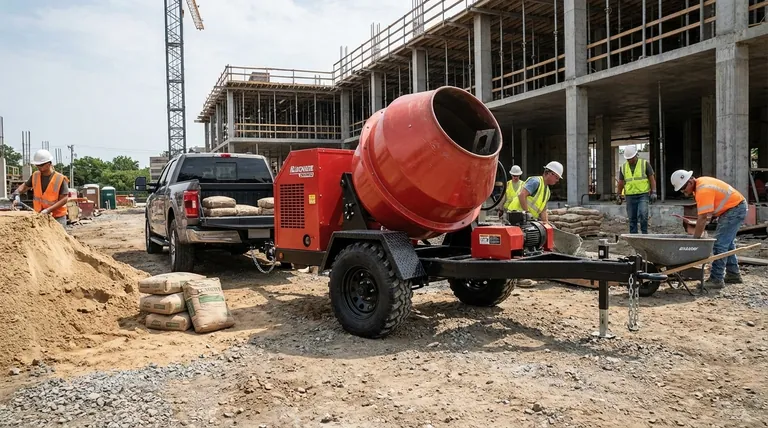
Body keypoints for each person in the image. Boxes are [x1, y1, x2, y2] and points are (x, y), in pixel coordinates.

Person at [671, 170, 746, 289]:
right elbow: (709, 211)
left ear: (690, 182)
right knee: (727, 243)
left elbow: (702, 218)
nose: (684, 193)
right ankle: (733, 274)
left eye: (684, 189)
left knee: (720, 244)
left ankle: (716, 279)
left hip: (734, 209)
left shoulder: (703, 190)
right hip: (733, 207)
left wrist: (695, 240)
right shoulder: (700, 185)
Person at [12, 149, 70, 227]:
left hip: (57, 217)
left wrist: (48, 210)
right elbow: (24, 186)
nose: (38, 167)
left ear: (49, 164)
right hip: (40, 216)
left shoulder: (60, 178)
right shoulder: (35, 175)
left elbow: (64, 199)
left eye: (41, 165)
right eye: (37, 165)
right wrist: (17, 194)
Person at [616, 145, 657, 234]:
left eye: (631, 158)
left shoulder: (644, 164)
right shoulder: (623, 167)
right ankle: (634, 236)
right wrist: (618, 194)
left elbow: (651, 178)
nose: (629, 160)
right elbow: (621, 182)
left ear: (636, 155)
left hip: (643, 194)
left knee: (643, 214)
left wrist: (654, 191)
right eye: (628, 159)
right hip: (630, 196)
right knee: (632, 218)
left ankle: (644, 234)